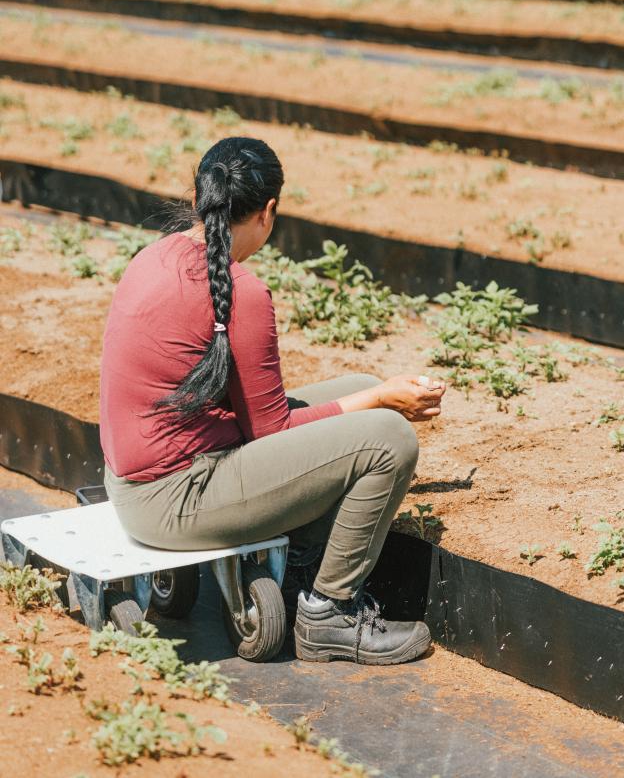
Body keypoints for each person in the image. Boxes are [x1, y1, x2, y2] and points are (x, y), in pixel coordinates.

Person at [99, 135, 445, 665]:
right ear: (269, 212)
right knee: (389, 437)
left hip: (138, 480)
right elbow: (272, 432)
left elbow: (256, 418)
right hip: (173, 499)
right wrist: (382, 401)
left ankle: (301, 563)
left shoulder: (156, 256)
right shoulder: (244, 293)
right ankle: (329, 612)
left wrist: (369, 391)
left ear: (198, 197)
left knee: (356, 382)